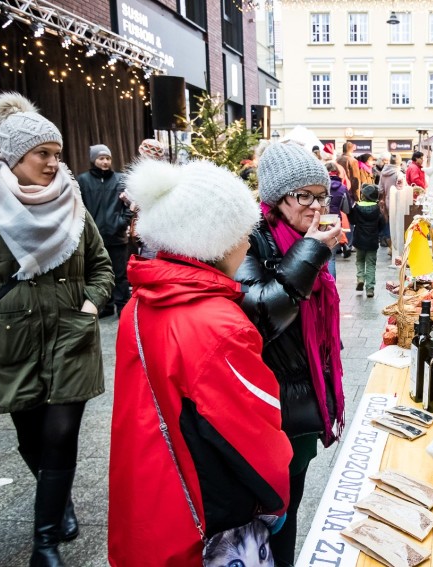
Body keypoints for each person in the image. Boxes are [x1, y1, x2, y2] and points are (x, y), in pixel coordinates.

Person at [108, 158, 292, 567]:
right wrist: (277, 502)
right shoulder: (219, 324)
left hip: (150, 503)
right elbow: (253, 437)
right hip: (202, 522)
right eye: (244, 232)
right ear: (217, 239)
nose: (248, 242)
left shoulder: (141, 303)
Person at [0, 92, 114, 566]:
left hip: (72, 335)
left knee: (61, 434)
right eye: (42, 155)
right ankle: (60, 499)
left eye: (57, 154)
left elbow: (102, 267)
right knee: (30, 438)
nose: (54, 164)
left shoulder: (72, 202)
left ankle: (44, 541)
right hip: (11, 341)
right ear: (14, 157)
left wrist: (91, 305)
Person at [236, 142, 345, 567]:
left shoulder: (303, 237)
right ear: (277, 198)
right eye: (305, 196)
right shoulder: (252, 239)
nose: (317, 206)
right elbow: (262, 312)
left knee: (291, 502)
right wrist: (313, 253)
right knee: (267, 509)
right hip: (268, 406)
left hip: (302, 401)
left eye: (322, 195)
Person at [77, 144, 133, 317]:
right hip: (95, 239)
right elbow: (79, 206)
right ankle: (105, 306)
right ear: (94, 160)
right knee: (98, 274)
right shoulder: (83, 180)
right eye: (101, 158)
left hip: (116, 236)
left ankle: (123, 306)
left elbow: (130, 203)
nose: (105, 161)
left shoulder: (120, 179)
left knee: (120, 275)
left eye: (108, 158)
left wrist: (122, 222)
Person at [349, 184, 386, 298]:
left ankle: (360, 278)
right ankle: (370, 289)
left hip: (359, 240)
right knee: (370, 264)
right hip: (372, 241)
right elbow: (382, 224)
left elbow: (352, 220)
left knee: (359, 260)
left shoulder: (357, 207)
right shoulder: (377, 208)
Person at [388, 171, 412, 267]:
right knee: (397, 234)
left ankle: (402, 256)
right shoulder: (394, 191)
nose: (399, 182)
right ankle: (399, 256)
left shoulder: (407, 190)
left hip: (403, 218)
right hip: (397, 218)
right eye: (398, 180)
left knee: (401, 234)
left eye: (401, 180)